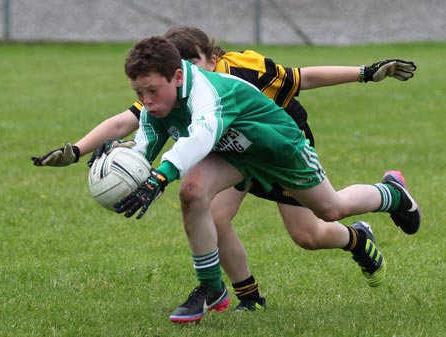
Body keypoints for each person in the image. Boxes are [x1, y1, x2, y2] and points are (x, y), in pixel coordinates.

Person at [31, 26, 418, 312]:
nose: (145, 101)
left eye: (151, 91)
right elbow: (144, 139)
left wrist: (161, 175)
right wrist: (125, 162)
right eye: (139, 94)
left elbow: (200, 135)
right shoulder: (158, 101)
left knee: (327, 215)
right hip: (232, 152)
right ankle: (217, 289)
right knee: (194, 193)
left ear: (185, 71)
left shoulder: (212, 89)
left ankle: (390, 193)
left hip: (278, 148)